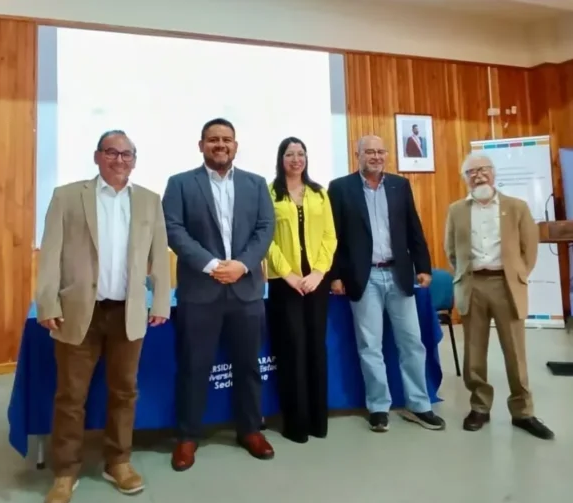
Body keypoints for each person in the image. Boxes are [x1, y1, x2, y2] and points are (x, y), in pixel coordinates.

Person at [35, 130, 172, 503]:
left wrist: (160, 297)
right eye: (111, 152)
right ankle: (65, 472)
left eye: (127, 154)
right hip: (80, 310)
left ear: (134, 159)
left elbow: (158, 255)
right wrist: (47, 301)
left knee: (124, 392)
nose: (119, 160)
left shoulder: (148, 201)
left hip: (127, 311)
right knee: (70, 396)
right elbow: (50, 253)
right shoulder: (67, 196)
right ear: (97, 157)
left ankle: (118, 461)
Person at [162, 118, 276, 471]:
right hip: (200, 291)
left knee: (248, 366)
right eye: (213, 140)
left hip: (246, 290)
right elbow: (173, 229)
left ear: (236, 146)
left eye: (227, 139)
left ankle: (250, 429)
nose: (220, 145)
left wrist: (241, 265)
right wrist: (212, 265)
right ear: (201, 145)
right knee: (194, 367)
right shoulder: (180, 184)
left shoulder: (256, 184)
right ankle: (187, 436)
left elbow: (265, 228)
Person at [327, 134, 445, 433]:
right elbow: (334, 237)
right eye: (369, 151)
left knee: (412, 343)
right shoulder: (340, 188)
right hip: (362, 276)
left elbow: (413, 227)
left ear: (387, 155)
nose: (376, 156)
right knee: (370, 345)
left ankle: (419, 405)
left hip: (399, 274)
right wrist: (336, 275)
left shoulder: (399, 185)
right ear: (358, 154)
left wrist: (424, 266)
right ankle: (378, 407)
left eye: (380, 151)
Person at [443, 151, 554, 440]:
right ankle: (480, 407)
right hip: (473, 285)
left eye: (484, 170)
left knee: (515, 352)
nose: (479, 175)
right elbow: (451, 250)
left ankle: (523, 412)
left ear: (494, 173)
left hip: (506, 286)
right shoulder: (456, 210)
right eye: (472, 172)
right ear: (465, 178)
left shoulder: (516, 207)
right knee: (474, 354)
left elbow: (529, 248)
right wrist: (466, 273)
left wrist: (517, 275)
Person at [265, 137, 336, 443]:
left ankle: (318, 422)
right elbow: (266, 239)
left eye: (301, 154)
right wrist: (289, 275)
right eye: (290, 154)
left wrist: (319, 272)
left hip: (316, 283)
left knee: (315, 349)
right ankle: (296, 424)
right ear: (281, 159)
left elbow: (329, 237)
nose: (296, 159)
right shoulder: (269, 193)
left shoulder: (320, 193)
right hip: (285, 285)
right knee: (292, 349)